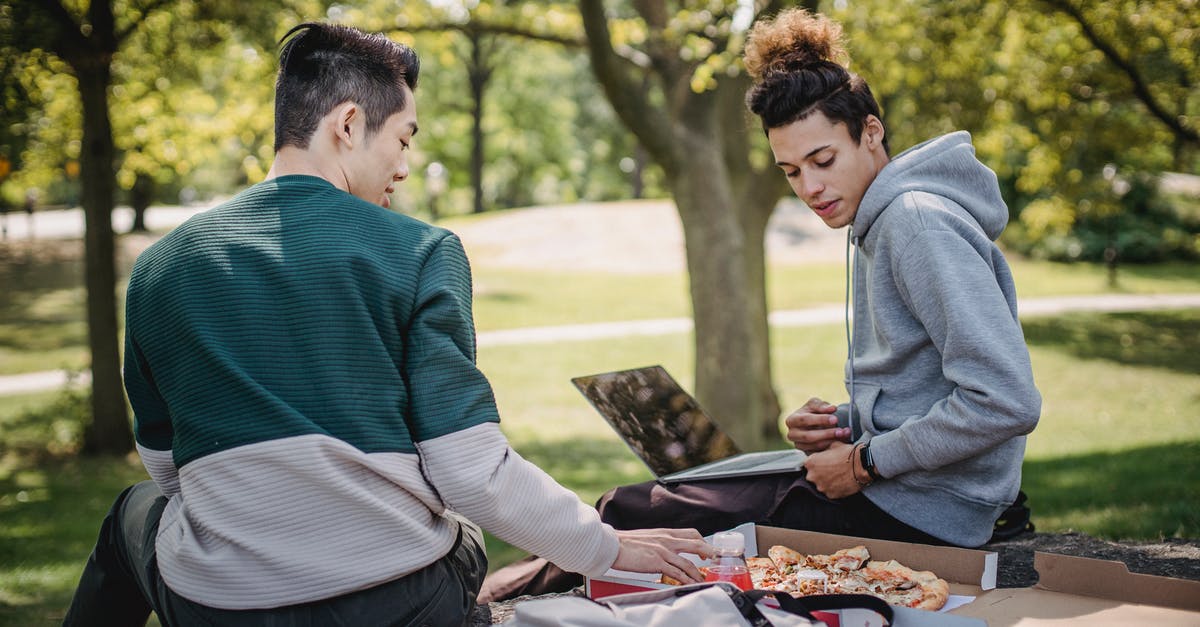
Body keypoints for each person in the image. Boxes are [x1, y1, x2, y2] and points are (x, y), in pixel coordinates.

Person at [63, 22, 709, 626]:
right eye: (403, 138)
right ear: (348, 124)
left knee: (130, 513)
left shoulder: (156, 270)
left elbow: (169, 469)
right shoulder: (420, 251)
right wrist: (604, 547)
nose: (404, 166)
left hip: (219, 604)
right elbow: (469, 470)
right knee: (455, 523)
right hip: (403, 601)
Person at [480, 7, 1040, 602]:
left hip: (919, 515)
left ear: (871, 132)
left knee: (632, 511)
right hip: (901, 489)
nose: (810, 189)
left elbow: (1004, 399)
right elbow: (933, 386)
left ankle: (488, 603)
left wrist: (861, 462)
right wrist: (848, 422)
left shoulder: (915, 222)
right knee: (673, 491)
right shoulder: (884, 219)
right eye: (792, 172)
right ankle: (502, 592)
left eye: (823, 161)